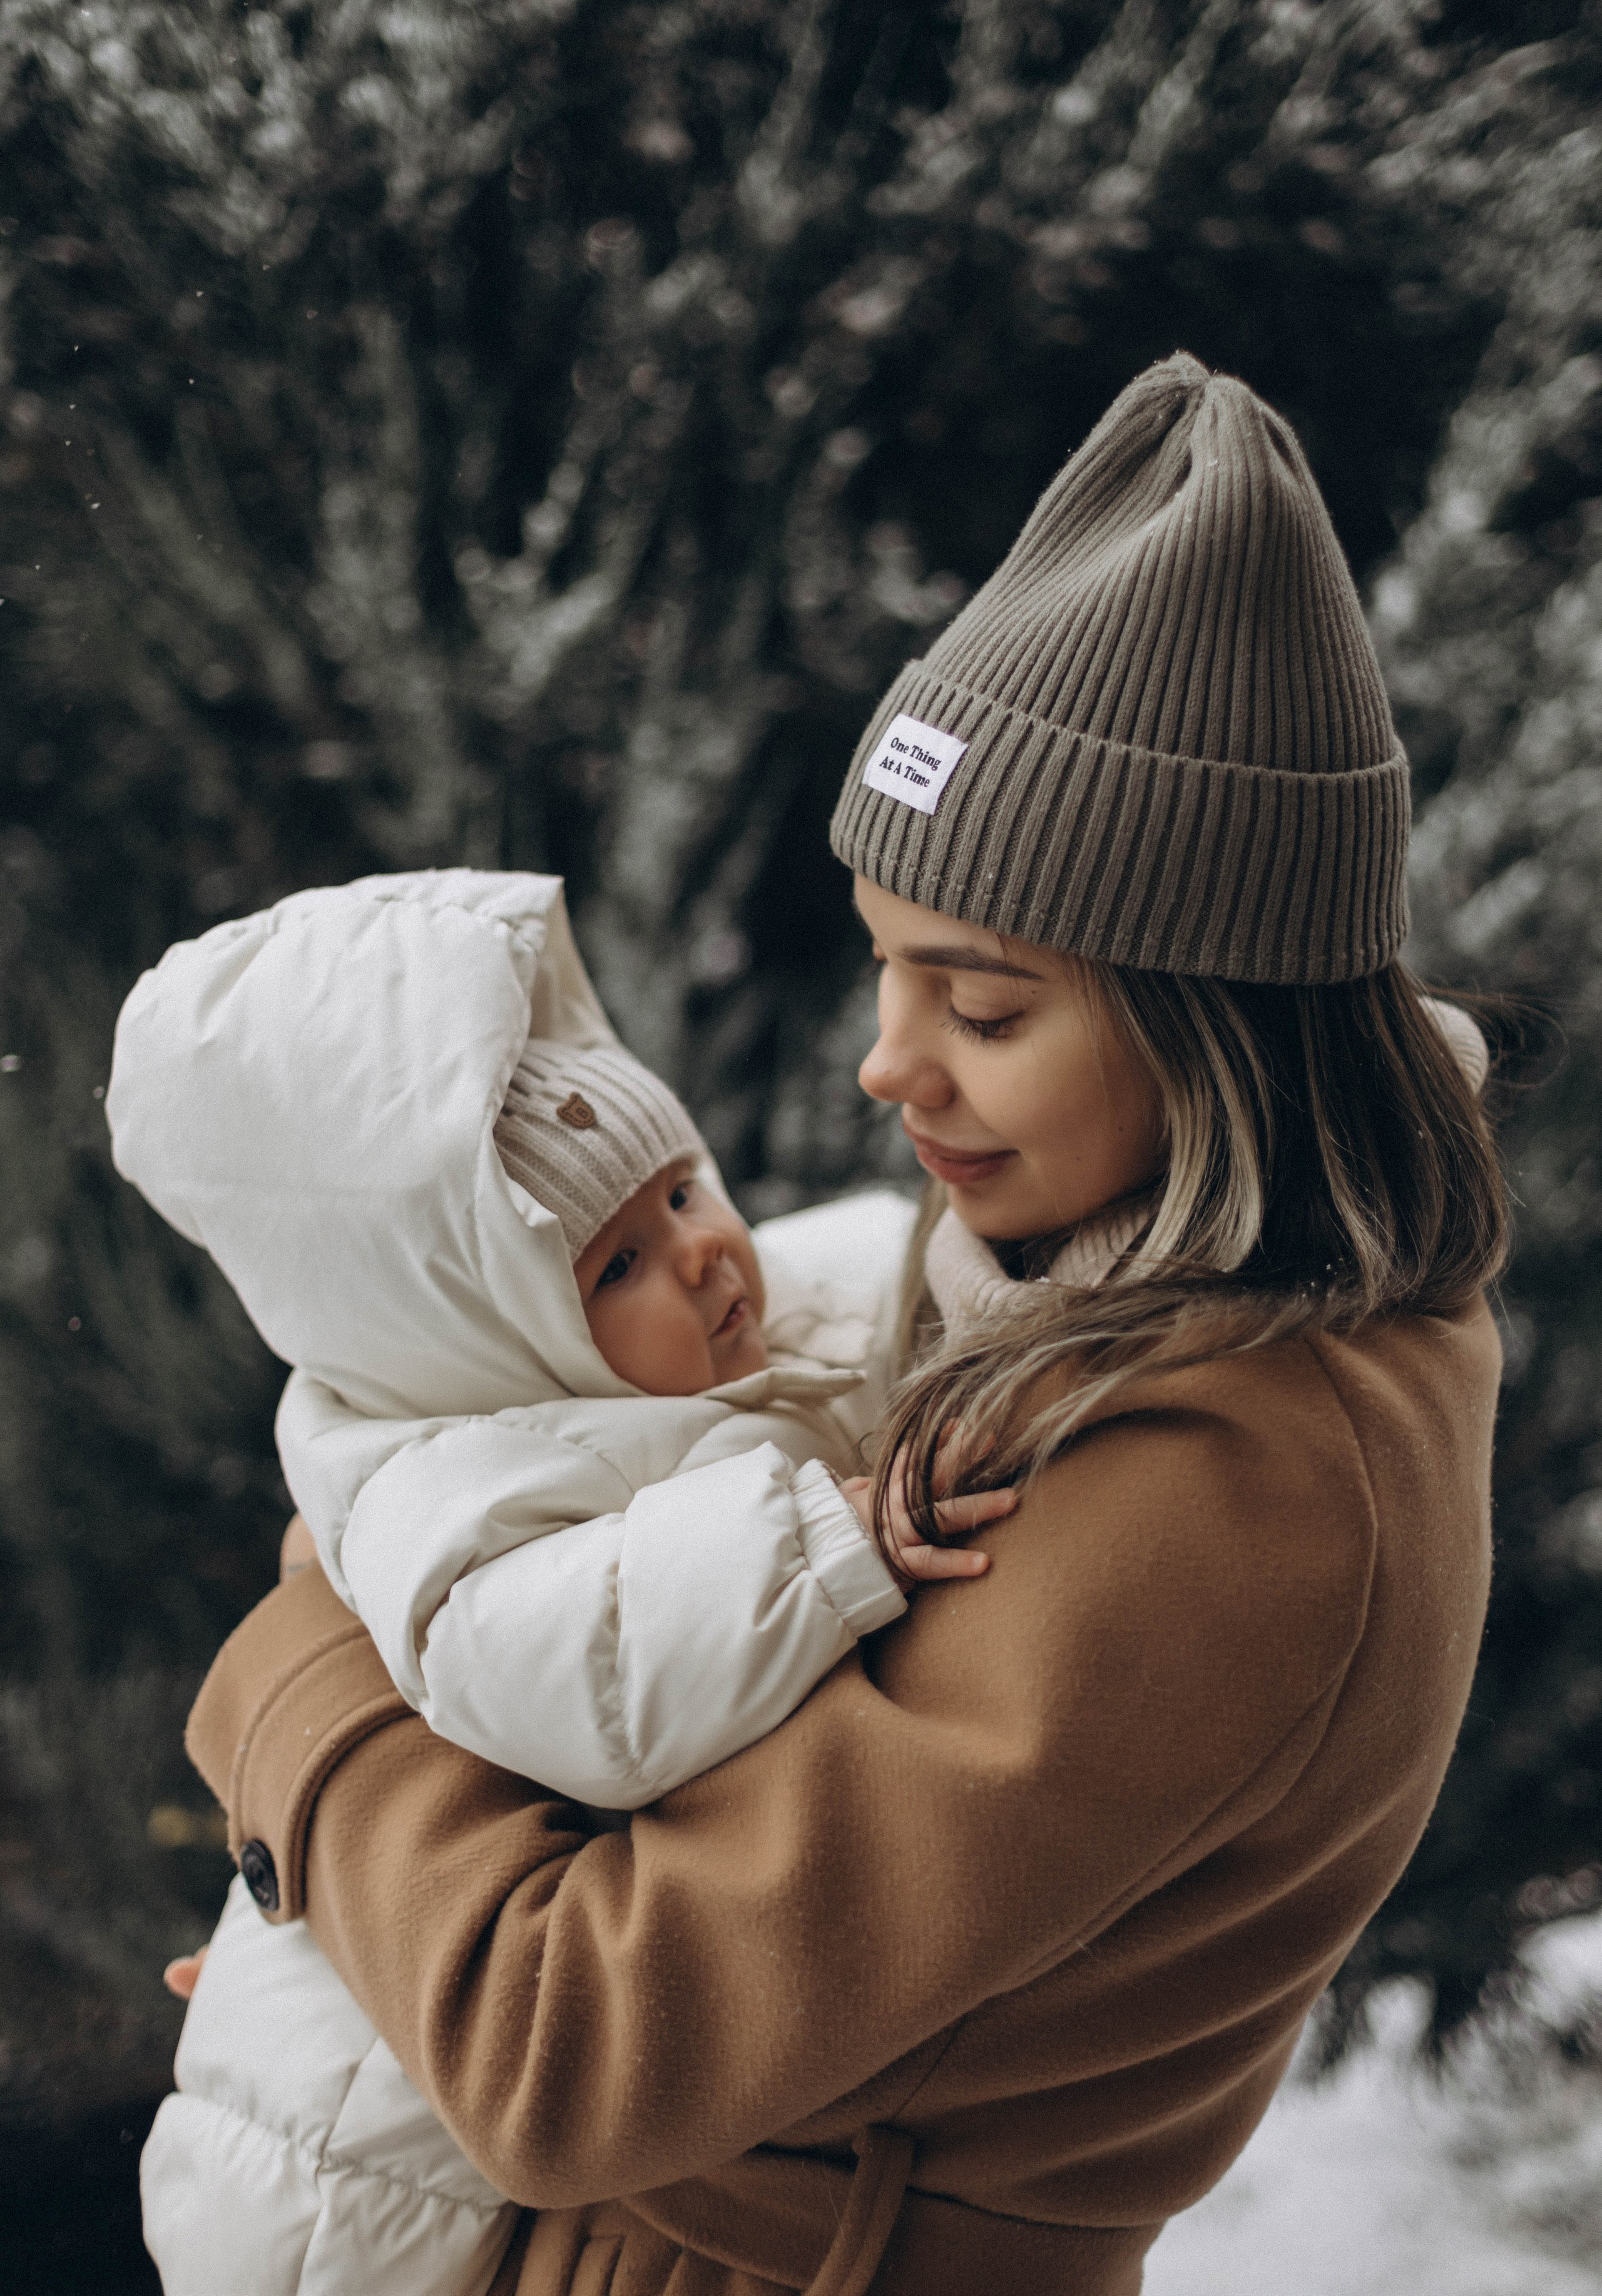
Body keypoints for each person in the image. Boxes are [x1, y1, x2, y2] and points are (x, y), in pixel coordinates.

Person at [176, 354, 1509, 2296]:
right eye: (888, 975)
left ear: (1225, 1022)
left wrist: (302, 1674)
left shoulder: (1237, 1474)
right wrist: (360, 1976)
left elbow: (568, 2043)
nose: (891, 1066)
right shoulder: (1067, 1312)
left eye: (981, 1010)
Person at [106, 869, 1006, 2296]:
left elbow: (839, 1285)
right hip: (350, 2129)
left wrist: (949, 1257)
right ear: (491, 1333)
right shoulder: (450, 1481)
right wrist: (821, 1546)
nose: (705, 1249)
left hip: (428, 1912)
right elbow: (573, 1671)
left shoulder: (665, 1353)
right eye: (620, 1262)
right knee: (328, 2206)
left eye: (684, 1184)